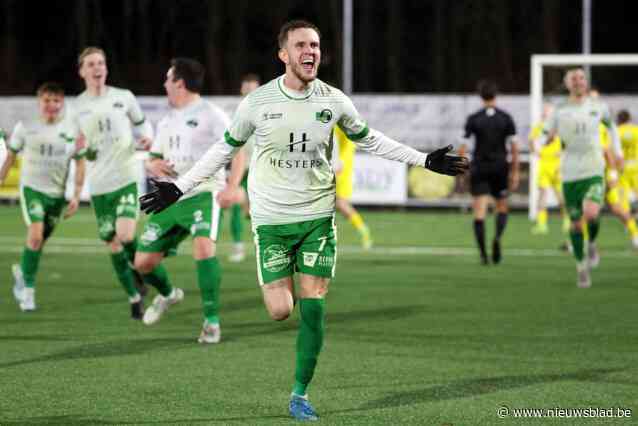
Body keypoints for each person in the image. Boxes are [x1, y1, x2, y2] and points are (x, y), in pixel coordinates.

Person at [138, 20, 468, 421]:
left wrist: (423, 159)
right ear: (284, 54)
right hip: (272, 221)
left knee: (314, 306)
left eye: (315, 45)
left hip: (316, 217)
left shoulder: (333, 100)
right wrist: (181, 186)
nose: (310, 52)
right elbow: (224, 150)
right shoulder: (257, 102)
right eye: (301, 46)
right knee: (280, 310)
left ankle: (300, 394)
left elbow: (370, 139)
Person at [134, 57, 246, 343]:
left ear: (180, 83)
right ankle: (169, 294)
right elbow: (154, 157)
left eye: (168, 79)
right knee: (143, 263)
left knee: (203, 249)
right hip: (169, 196)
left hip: (203, 193)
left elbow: (239, 149)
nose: (164, 84)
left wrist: (232, 185)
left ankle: (211, 322)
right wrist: (152, 165)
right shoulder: (168, 119)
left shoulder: (211, 114)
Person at [73, 47, 153, 319]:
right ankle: (134, 295)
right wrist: (80, 150)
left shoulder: (124, 97)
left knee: (127, 235)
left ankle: (141, 269)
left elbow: (143, 125)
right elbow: (75, 147)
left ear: (105, 68)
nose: (97, 68)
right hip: (99, 185)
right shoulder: (77, 107)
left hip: (127, 176)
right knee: (113, 243)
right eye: (91, 64)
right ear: (82, 71)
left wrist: (147, 139)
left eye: (101, 63)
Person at [0, 82, 86, 311]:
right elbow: (10, 156)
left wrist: (76, 196)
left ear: (62, 104)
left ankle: (22, 272)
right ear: (40, 102)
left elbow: (80, 163)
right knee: (36, 236)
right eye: (47, 100)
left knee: (37, 244)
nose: (51, 105)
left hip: (56, 196)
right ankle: (28, 292)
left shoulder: (72, 130)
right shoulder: (26, 126)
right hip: (32, 189)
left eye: (56, 101)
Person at [545, 68, 623, 288]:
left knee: (591, 213)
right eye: (574, 79)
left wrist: (617, 154)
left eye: (581, 78)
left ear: (586, 83)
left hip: (594, 169)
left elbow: (612, 129)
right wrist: (540, 143)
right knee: (576, 225)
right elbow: (545, 134)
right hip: (570, 173)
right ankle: (581, 267)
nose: (578, 81)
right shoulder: (559, 110)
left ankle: (593, 243)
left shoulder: (599, 107)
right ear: (567, 84)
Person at [460, 80, 520, 265]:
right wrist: (515, 171)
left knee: (479, 211)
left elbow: (463, 148)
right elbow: (514, 147)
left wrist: (462, 171)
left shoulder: (473, 118)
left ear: (480, 96)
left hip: (479, 168)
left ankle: (483, 255)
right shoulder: (506, 118)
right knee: (502, 207)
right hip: (500, 167)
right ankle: (497, 238)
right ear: (496, 95)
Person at [223, 73, 260, 263]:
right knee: (236, 204)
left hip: (262, 170)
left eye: (254, 88)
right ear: (242, 89)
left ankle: (270, 245)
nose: (250, 92)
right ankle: (238, 247)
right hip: (242, 168)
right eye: (247, 88)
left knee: (256, 211)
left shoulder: (267, 111)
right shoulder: (236, 113)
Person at [529, 102, 569, 235]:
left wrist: (562, 153)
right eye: (544, 110)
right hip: (544, 165)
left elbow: (567, 142)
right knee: (542, 194)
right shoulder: (539, 127)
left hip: (557, 165)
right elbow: (531, 141)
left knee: (561, 196)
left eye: (547, 111)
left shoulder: (559, 127)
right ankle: (542, 224)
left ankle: (567, 221)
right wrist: (535, 151)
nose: (545, 113)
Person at [333, 125, 373, 249]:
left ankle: (363, 230)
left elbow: (345, 142)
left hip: (340, 166)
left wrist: (338, 162)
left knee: (340, 203)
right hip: (335, 164)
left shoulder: (339, 119)